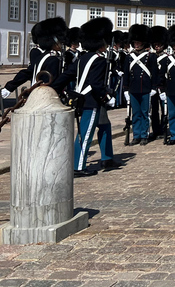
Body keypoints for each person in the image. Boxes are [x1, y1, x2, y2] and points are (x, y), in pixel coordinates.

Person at [51, 17, 117, 176]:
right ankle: (78, 167)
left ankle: (104, 158)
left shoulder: (83, 58)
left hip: (81, 99)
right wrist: (107, 98)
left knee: (93, 129)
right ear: (101, 43)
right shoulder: (100, 61)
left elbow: (67, 75)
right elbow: (96, 85)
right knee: (85, 134)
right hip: (91, 100)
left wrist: (53, 87)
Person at [1, 17, 68, 100]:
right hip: (46, 98)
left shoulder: (47, 56)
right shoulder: (51, 59)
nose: (62, 44)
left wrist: (10, 86)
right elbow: (49, 83)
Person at [123, 24, 157, 146]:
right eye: (135, 42)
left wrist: (154, 88)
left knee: (145, 113)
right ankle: (136, 135)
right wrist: (125, 89)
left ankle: (144, 134)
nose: (136, 44)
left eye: (139, 42)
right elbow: (126, 73)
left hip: (146, 88)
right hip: (133, 88)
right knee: (135, 113)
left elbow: (154, 73)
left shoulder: (151, 56)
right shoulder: (129, 57)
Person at [149, 25, 169, 141]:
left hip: (163, 86)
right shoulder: (150, 57)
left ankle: (163, 128)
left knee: (164, 109)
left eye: (159, 45)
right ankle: (156, 130)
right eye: (155, 45)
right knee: (153, 110)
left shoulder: (166, 58)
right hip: (152, 86)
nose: (157, 47)